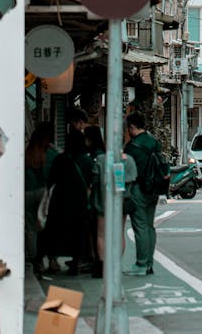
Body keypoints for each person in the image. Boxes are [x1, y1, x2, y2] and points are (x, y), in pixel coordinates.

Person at [88, 126, 138, 278]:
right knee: (119, 233)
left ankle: (103, 266)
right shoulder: (129, 161)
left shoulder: (101, 160)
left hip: (102, 202)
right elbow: (132, 181)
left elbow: (93, 180)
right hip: (121, 203)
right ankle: (116, 264)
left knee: (101, 235)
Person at [45, 129, 93, 275]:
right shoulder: (86, 160)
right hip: (79, 201)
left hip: (60, 199)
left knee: (55, 230)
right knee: (78, 232)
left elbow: (51, 178)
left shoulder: (60, 159)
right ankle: (75, 263)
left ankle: (53, 261)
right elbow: (91, 180)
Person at [123, 112, 162, 276]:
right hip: (154, 188)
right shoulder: (154, 142)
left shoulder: (132, 147)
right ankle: (149, 263)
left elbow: (127, 172)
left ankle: (141, 264)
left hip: (138, 189)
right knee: (149, 226)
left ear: (131, 127)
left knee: (140, 227)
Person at [24, 123, 53, 274]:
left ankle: (33, 258)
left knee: (30, 227)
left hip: (27, 192)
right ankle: (44, 258)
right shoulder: (48, 153)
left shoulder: (27, 153)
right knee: (43, 225)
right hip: (42, 192)